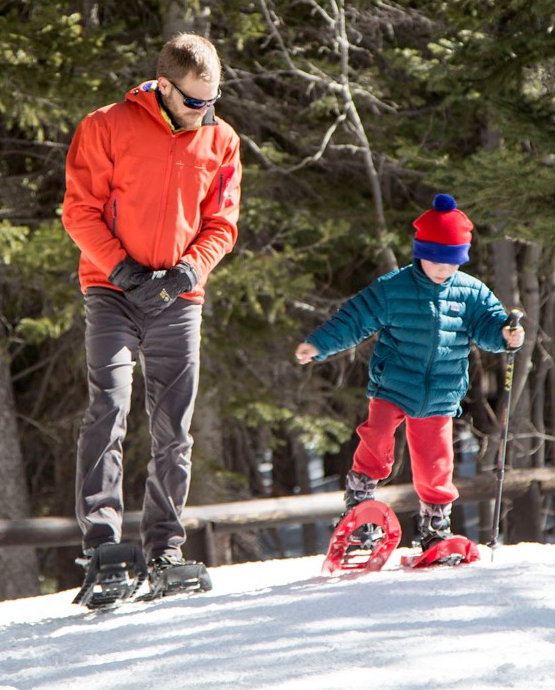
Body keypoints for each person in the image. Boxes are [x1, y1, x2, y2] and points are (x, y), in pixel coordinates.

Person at [61, 33, 242, 585]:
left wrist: (189, 270)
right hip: (113, 290)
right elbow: (79, 211)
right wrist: (123, 271)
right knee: (109, 408)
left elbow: (222, 225)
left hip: (179, 297)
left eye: (212, 101)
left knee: (174, 428)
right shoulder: (106, 125)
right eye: (193, 101)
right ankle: (102, 548)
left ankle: (164, 547)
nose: (203, 112)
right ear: (163, 86)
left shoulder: (222, 140)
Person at [294, 193, 525, 549]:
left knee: (436, 463)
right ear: (420, 251)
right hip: (394, 384)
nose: (442, 268)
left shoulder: (471, 292)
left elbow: (489, 326)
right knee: (377, 437)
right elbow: (355, 318)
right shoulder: (393, 288)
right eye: (435, 259)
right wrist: (319, 344)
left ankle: (435, 526)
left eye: (451, 262)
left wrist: (506, 335)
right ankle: (360, 505)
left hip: (441, 393)